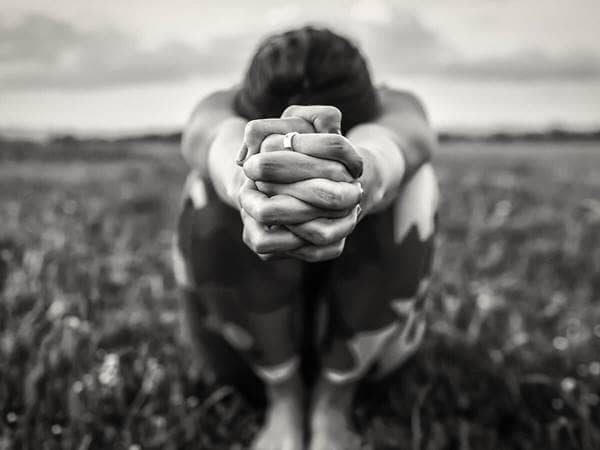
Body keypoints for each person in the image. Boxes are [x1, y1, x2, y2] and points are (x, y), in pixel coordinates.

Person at [173, 26, 439, 450]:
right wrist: (247, 181)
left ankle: (336, 400)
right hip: (239, 353)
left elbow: (395, 142)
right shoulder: (218, 105)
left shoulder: (398, 105)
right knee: (206, 182)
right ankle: (283, 395)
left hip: (372, 355)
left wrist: (361, 173)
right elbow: (214, 138)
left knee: (414, 180)